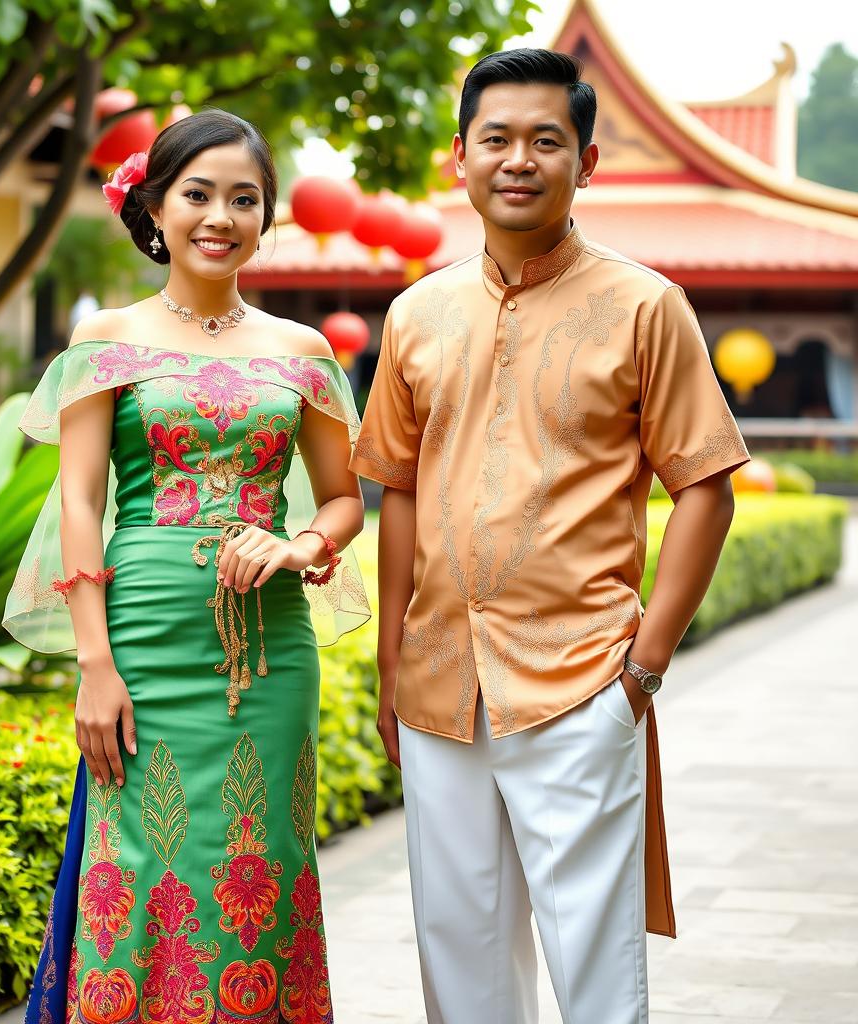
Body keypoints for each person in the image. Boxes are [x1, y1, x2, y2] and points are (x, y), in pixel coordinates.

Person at [350, 49, 749, 1023]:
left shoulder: (646, 305)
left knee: (595, 966)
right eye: (495, 138)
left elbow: (705, 486)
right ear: (458, 157)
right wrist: (391, 658)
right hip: (441, 685)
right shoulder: (415, 314)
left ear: (588, 160)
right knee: (459, 959)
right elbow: (394, 490)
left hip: (581, 677)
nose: (517, 159)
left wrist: (641, 668)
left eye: (544, 140)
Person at [4, 109, 369, 1024]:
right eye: (197, 195)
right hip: (141, 641)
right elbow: (80, 502)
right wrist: (94, 666)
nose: (221, 216)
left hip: (269, 652)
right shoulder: (107, 338)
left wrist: (299, 546)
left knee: (259, 860)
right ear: (156, 208)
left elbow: (344, 499)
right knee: (136, 856)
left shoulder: (304, 352)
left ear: (265, 216)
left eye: (244, 199)